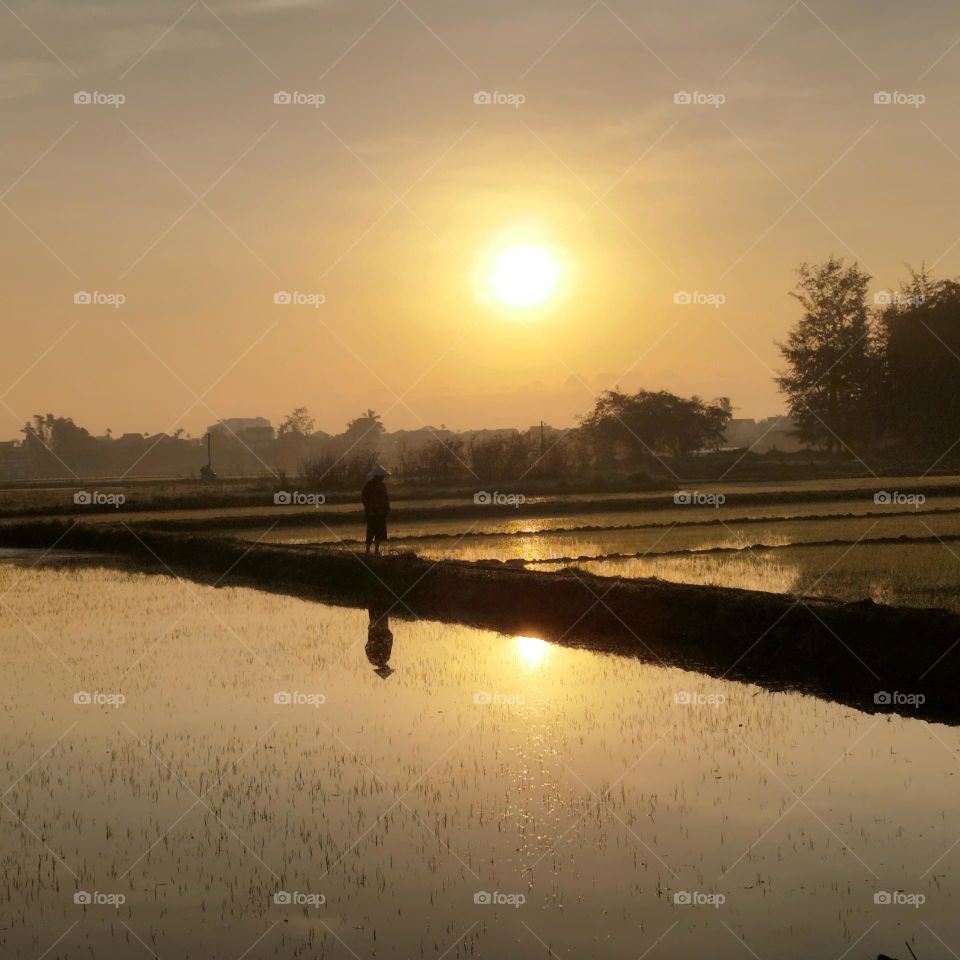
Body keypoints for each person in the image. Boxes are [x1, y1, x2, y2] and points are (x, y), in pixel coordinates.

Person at [361, 464, 391, 555]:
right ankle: (367, 550)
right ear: (378, 476)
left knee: (379, 531)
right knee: (371, 531)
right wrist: (369, 509)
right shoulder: (369, 485)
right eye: (382, 476)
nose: (383, 478)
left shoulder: (382, 485)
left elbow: (385, 498)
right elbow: (365, 498)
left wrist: (387, 508)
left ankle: (376, 550)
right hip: (372, 512)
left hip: (381, 512)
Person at [365, 603, 394, 679]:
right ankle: (373, 602)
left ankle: (377, 601)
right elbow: (367, 647)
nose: (388, 666)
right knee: (374, 614)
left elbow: (389, 642)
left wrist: (387, 635)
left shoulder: (385, 657)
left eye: (387, 667)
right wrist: (373, 639)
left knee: (381, 613)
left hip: (381, 631)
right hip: (374, 631)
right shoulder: (373, 660)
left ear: (385, 667)